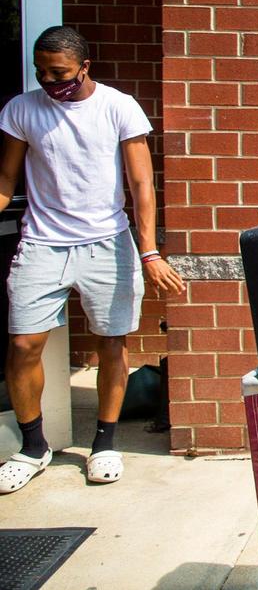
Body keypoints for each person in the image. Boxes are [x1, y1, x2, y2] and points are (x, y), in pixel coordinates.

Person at [0, 26, 185, 494]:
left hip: (108, 243)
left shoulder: (118, 106)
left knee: (112, 344)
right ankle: (33, 447)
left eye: (58, 72)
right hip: (43, 243)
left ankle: (104, 442)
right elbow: (6, 178)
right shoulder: (22, 110)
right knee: (23, 345)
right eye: (41, 72)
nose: (48, 80)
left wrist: (149, 252)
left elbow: (142, 185)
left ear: (84, 66)